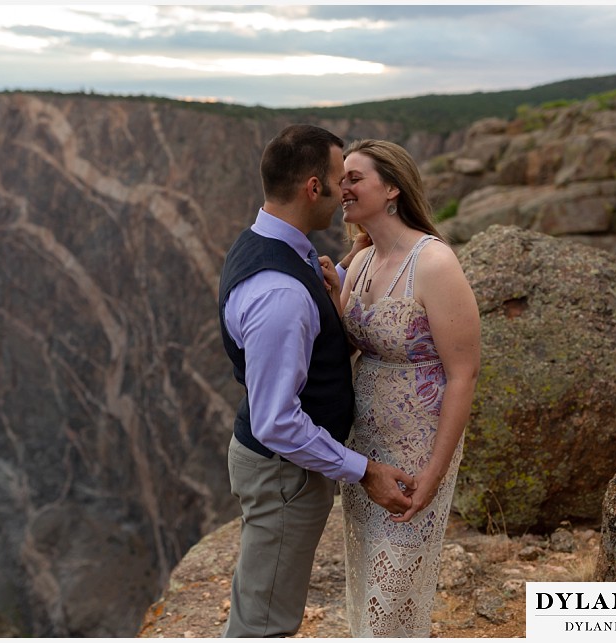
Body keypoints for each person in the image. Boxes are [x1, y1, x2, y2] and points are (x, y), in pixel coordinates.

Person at [217, 124, 418, 638]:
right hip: (285, 475)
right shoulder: (279, 293)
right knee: (265, 623)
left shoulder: (272, 243)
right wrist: (363, 470)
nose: (344, 190)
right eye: (337, 179)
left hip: (282, 471)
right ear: (313, 188)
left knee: (261, 604)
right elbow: (277, 422)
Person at [320, 139, 481, 637]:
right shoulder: (363, 262)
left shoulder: (433, 264)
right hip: (366, 446)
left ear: (391, 188)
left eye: (354, 178)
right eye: (339, 178)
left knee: (393, 593)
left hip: (416, 446)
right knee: (370, 580)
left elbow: (463, 373)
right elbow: (351, 344)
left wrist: (434, 472)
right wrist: (331, 296)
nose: (341, 187)